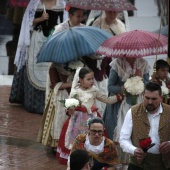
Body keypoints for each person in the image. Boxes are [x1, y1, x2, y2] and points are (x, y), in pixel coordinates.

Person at [37, 6, 85, 148]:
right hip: (59, 68)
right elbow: (54, 49)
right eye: (78, 16)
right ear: (70, 15)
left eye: (82, 16)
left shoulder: (83, 28)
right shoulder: (59, 29)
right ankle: (56, 143)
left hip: (75, 70)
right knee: (59, 108)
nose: (80, 19)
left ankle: (72, 141)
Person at [57, 67, 123, 165]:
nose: (92, 81)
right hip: (77, 121)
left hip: (91, 119)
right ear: (80, 80)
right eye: (88, 79)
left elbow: (107, 99)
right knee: (77, 141)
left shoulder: (94, 90)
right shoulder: (75, 91)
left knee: (94, 138)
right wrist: (70, 110)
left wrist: (119, 97)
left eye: (92, 78)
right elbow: (69, 107)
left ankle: (93, 160)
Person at [9, 0, 65, 114]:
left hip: (53, 40)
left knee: (51, 68)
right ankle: (33, 103)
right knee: (35, 66)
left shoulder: (61, 4)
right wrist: (41, 19)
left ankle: (52, 103)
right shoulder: (35, 4)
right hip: (37, 40)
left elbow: (64, 23)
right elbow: (28, 23)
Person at [84, 10, 126, 117]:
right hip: (98, 56)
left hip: (113, 58)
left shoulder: (121, 25)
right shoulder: (97, 23)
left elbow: (123, 44)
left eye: (114, 12)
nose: (112, 14)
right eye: (109, 12)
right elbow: (92, 40)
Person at [120, 82, 170, 170]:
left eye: (154, 99)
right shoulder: (133, 111)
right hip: (137, 164)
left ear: (161, 98)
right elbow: (123, 139)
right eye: (147, 98)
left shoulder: (169, 111)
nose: (150, 102)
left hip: (165, 163)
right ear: (143, 95)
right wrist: (134, 150)